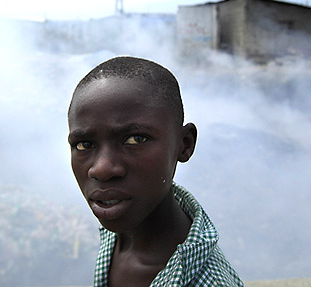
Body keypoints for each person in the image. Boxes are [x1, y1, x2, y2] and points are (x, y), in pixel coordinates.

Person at [67, 56, 243, 287]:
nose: (102, 169)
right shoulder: (120, 228)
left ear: (184, 144)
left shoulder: (209, 282)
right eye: (84, 145)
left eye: (136, 139)